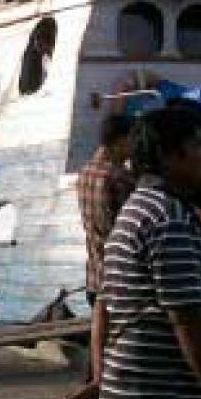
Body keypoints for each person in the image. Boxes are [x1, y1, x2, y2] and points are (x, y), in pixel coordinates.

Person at [93, 107, 201, 399]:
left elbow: (106, 306)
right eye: (197, 145)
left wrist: (99, 380)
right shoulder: (167, 217)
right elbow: (186, 320)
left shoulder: (139, 208)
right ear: (169, 155)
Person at [77, 114, 135, 308]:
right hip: (120, 281)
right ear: (120, 140)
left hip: (95, 278)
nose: (135, 146)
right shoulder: (119, 177)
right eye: (132, 139)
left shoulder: (85, 173)